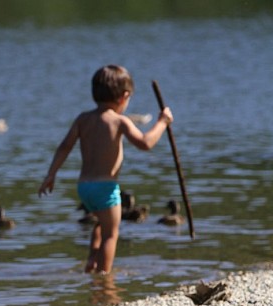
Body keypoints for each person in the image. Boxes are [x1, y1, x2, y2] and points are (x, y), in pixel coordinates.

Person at [38, 65, 173, 273]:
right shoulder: (119, 121)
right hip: (106, 188)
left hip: (84, 187)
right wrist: (162, 122)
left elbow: (65, 146)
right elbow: (146, 143)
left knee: (101, 223)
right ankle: (104, 275)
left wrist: (51, 174)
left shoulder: (83, 119)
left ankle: (92, 259)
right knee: (112, 233)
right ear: (124, 97)